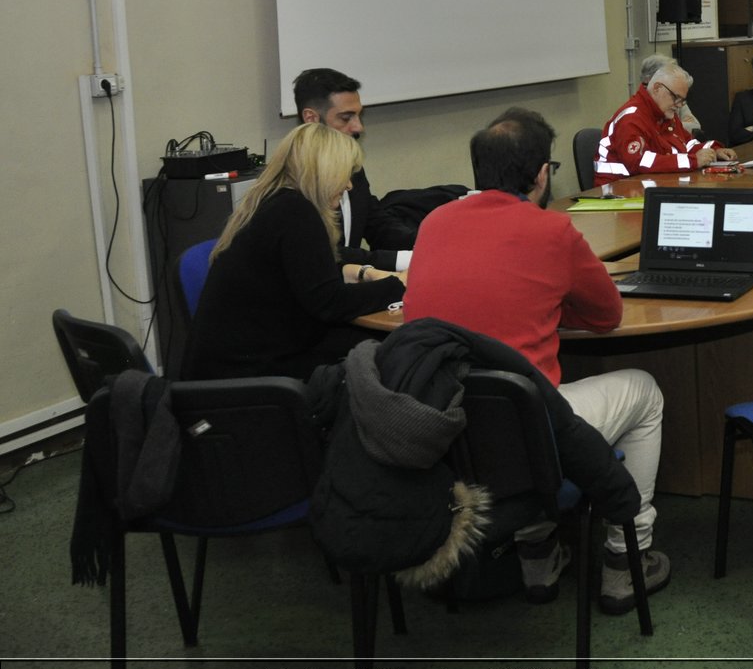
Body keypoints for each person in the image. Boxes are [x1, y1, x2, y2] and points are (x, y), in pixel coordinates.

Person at [404, 107, 670, 613]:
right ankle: (625, 557)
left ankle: (538, 556)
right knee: (643, 391)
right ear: (542, 173)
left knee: (515, 404)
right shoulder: (552, 232)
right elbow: (607, 315)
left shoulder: (434, 223)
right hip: (526, 433)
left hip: (447, 429)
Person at [185, 122, 406, 381]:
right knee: (392, 352)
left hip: (235, 361)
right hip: (252, 375)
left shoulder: (274, 202)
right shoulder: (296, 213)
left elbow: (306, 271)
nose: (348, 186)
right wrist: (398, 284)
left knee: (371, 345)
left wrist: (362, 272)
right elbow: (330, 303)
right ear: (323, 172)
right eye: (344, 174)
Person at [293, 67, 413, 271]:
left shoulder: (352, 168)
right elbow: (327, 252)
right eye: (346, 118)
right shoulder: (294, 182)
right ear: (311, 118)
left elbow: (376, 224)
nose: (359, 127)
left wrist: (430, 242)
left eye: (358, 116)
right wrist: (405, 260)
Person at [594, 59, 735, 185]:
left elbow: (686, 144)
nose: (679, 105)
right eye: (676, 97)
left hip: (648, 185)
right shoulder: (631, 118)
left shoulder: (665, 114)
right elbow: (639, 162)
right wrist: (692, 161)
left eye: (683, 100)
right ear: (657, 88)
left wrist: (714, 151)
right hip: (616, 192)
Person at [639, 52, 701, 134]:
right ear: (652, 80)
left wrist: (671, 126)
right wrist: (673, 125)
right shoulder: (637, 112)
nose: (678, 104)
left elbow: (695, 126)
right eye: (668, 74)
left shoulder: (677, 101)